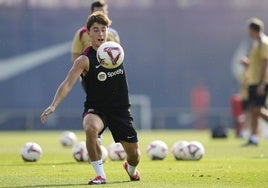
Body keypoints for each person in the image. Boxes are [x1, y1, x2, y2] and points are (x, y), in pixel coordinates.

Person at [40, 12, 140, 185]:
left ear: (108, 31)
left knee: (134, 155)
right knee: (90, 128)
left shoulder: (116, 50)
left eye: (103, 29)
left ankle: (131, 169)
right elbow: (67, 83)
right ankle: (100, 175)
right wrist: (53, 105)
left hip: (121, 110)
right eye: (96, 30)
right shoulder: (84, 60)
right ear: (88, 33)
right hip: (97, 108)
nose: (100, 34)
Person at [241, 17, 268, 146]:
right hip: (253, 81)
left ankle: (253, 137)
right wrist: (247, 64)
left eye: (249, 30)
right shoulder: (256, 43)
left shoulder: (264, 42)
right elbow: (256, 63)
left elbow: (265, 63)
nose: (248, 32)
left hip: (260, 82)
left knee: (257, 110)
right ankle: (253, 138)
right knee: (252, 110)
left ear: (253, 30)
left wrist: (262, 83)